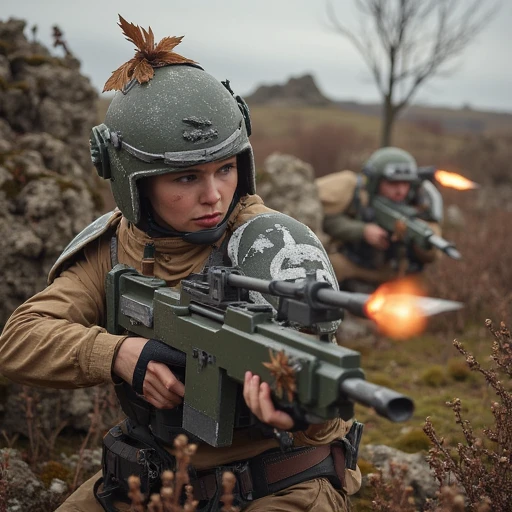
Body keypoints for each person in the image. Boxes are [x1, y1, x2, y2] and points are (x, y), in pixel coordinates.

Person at [0, 17, 361, 512]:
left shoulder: (273, 246)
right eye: (186, 177)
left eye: (225, 169)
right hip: (156, 473)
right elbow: (19, 339)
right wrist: (121, 354)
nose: (213, 196)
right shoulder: (111, 249)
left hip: (281, 479)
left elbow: (320, 394)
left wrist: (294, 414)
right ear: (135, 181)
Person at [316, 147, 443, 294]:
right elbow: (325, 219)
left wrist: (416, 239)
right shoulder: (356, 193)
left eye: (405, 183)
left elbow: (432, 255)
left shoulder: (419, 206)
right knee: (325, 269)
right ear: (375, 182)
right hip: (354, 266)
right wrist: (362, 230)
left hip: (395, 278)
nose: (400, 190)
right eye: (392, 183)